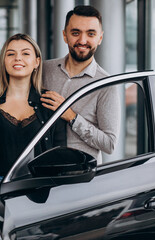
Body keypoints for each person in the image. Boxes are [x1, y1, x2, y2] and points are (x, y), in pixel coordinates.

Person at [0, 33, 67, 192]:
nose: (17, 58)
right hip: (0, 189)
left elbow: (59, 155)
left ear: (36, 62)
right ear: (4, 62)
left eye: (25, 53)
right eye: (11, 54)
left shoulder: (50, 103)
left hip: (42, 189)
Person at [40, 5, 120, 164]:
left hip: (81, 179)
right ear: (65, 35)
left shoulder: (105, 84)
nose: (82, 41)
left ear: (100, 38)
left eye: (91, 34)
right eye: (75, 33)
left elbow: (109, 144)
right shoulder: (44, 70)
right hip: (41, 171)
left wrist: (71, 116)